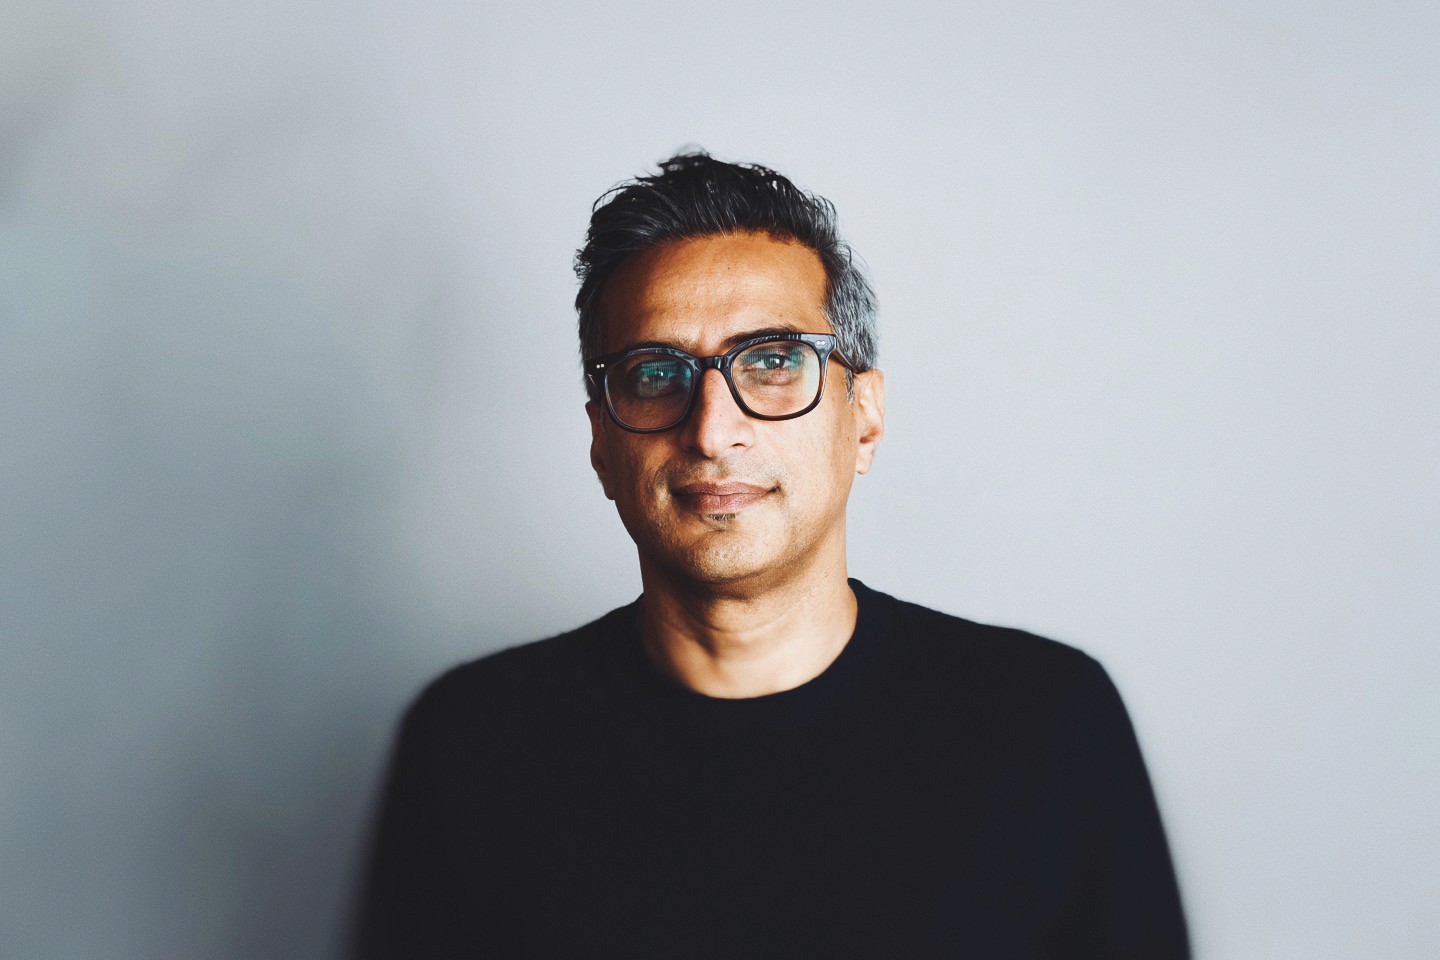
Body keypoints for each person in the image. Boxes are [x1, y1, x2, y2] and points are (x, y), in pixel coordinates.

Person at [352, 152, 1190, 959]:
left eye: (775, 361)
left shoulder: (1047, 726)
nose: (713, 430)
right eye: (654, 373)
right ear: (602, 444)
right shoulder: (472, 747)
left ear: (864, 418)